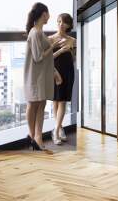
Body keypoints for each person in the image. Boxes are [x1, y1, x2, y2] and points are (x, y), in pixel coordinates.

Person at [24, 2, 62, 151]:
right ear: (44, 14)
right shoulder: (35, 32)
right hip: (35, 75)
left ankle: (36, 137)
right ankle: (33, 136)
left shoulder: (38, 32)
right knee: (34, 104)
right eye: (48, 13)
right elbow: (39, 57)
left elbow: (45, 58)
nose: (50, 16)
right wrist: (52, 46)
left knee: (40, 104)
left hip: (40, 74)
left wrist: (54, 72)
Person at [48, 13, 76, 145]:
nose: (60, 24)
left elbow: (74, 58)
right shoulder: (50, 39)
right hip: (54, 72)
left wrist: (69, 49)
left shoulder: (72, 40)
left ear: (69, 25)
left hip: (68, 71)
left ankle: (57, 129)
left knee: (63, 101)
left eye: (64, 22)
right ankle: (58, 130)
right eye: (59, 21)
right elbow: (46, 59)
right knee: (55, 101)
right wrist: (60, 50)